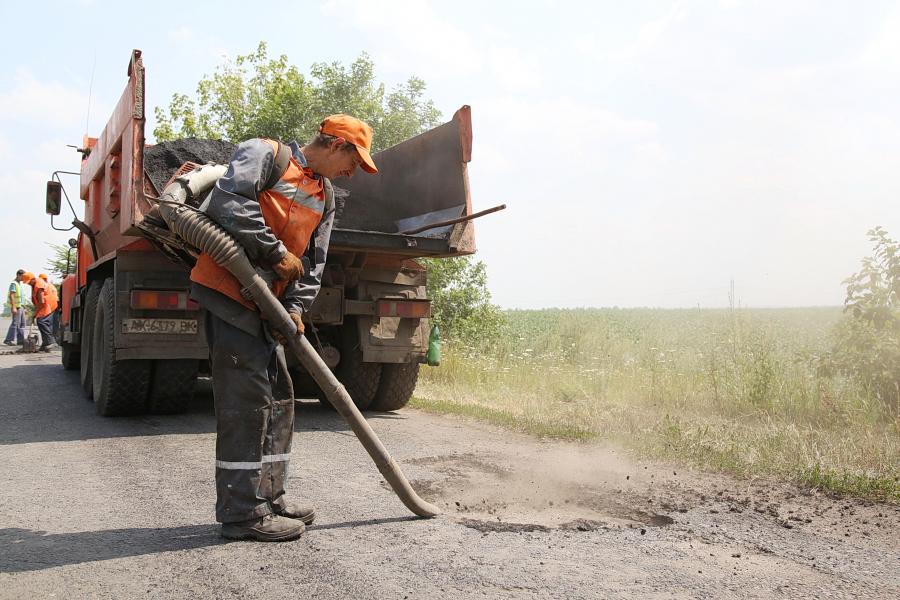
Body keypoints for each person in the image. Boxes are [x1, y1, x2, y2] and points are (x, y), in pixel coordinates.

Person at [190, 114, 378, 542]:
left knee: (280, 397)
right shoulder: (265, 154)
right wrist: (273, 253)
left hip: (269, 306)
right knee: (247, 400)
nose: (354, 172)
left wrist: (294, 307)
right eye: (354, 160)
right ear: (334, 144)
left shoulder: (325, 194)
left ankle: (270, 498)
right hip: (230, 293)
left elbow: (314, 262)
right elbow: (228, 204)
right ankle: (241, 514)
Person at [20, 272, 58, 351]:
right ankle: (45, 343)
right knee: (44, 322)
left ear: (33, 279)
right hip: (46, 304)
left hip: (48, 304)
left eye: (29, 282)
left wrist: (35, 313)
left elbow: (41, 302)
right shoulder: (35, 284)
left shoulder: (39, 285)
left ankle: (50, 341)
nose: (28, 284)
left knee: (41, 322)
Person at [4, 269, 27, 346]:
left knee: (22, 324)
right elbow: (12, 295)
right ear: (18, 275)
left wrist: (24, 307)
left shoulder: (19, 284)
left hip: (21, 307)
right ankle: (8, 340)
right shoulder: (14, 284)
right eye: (23, 277)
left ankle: (20, 340)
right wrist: (13, 307)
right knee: (15, 323)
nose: (24, 279)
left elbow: (22, 297)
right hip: (16, 307)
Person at [38, 274, 60, 338]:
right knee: (54, 324)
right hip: (56, 306)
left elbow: (43, 298)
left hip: (49, 307)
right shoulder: (52, 286)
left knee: (47, 324)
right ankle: (55, 339)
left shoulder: (45, 286)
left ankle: (50, 340)